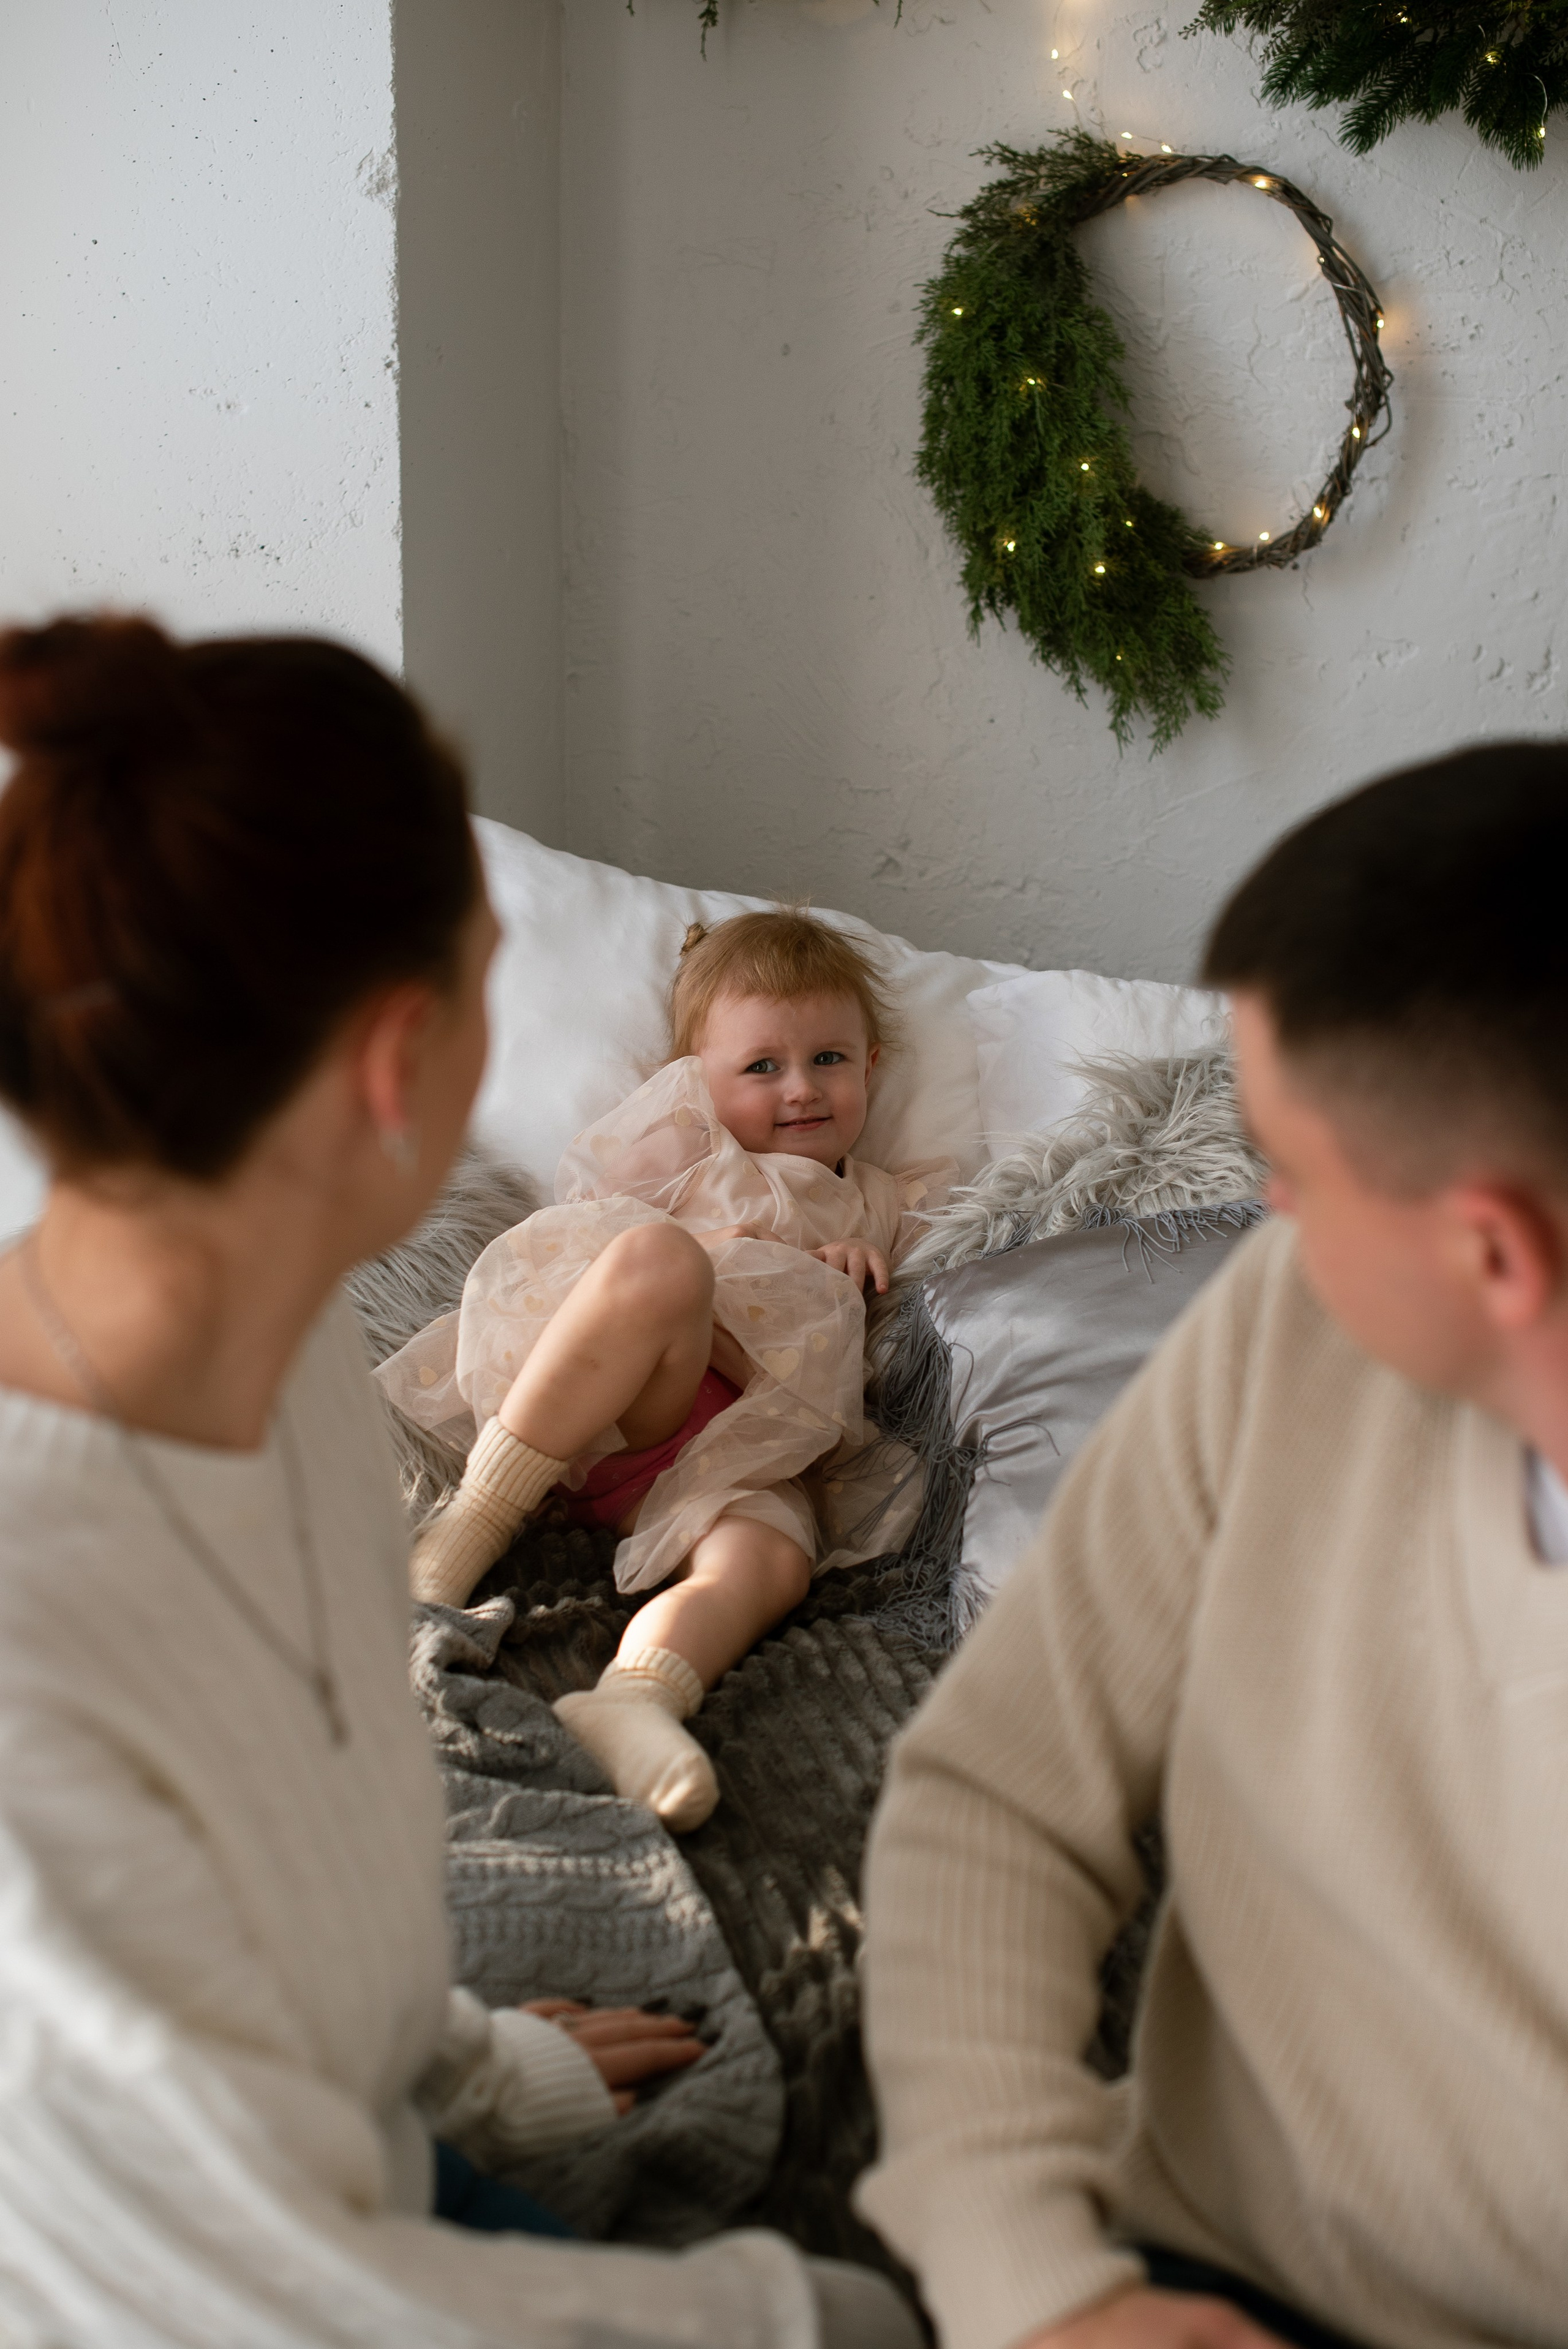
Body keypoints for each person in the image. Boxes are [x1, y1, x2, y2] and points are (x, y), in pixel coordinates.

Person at [0, 614, 921, 2349]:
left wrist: (481, 2073)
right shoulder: (49, 1620)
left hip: (356, 2146)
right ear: (389, 1066)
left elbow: (275, 1891)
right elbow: (255, 2296)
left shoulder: (276, 1402)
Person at [858, 741, 1568, 2349]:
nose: (1258, 1207)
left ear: (1490, 1249)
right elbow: (995, 1794)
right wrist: (1035, 2282)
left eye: (1295, 1174)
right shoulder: (1284, 1321)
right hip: (1186, 2266)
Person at [379, 910, 944, 1830]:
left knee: (773, 1560)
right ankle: (472, 1523)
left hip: (739, 1457)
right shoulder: (689, 1148)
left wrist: (861, 1280)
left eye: (829, 1060)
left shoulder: (883, 1203)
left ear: (871, 1065)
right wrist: (730, 1243)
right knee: (660, 1261)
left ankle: (636, 1700)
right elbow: (587, 1233)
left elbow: (905, 1347)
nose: (800, 1090)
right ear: (694, 1081)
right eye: (761, 1067)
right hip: (625, 1402)